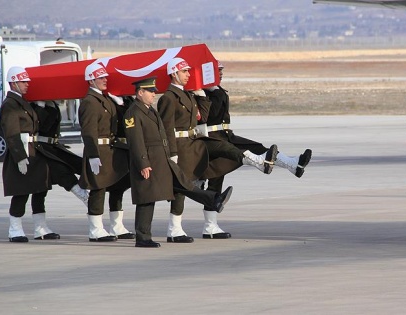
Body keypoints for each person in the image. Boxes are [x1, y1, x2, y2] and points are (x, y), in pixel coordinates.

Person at [157, 57, 278, 243]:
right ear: (174, 74)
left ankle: (258, 161)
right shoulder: (168, 98)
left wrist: (202, 96)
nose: (188, 74)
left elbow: (202, 117)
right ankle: (174, 230)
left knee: (222, 148)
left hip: (194, 142)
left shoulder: (188, 94)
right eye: (184, 71)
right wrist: (171, 154)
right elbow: (166, 129)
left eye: (189, 71)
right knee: (181, 187)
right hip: (180, 148)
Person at [201, 61, 312, 239]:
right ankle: (209, 227)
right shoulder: (203, 92)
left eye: (221, 70)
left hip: (226, 136)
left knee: (260, 149)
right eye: (216, 70)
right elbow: (211, 114)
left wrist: (216, 90)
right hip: (212, 140)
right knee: (215, 180)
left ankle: (293, 164)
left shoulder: (215, 90)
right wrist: (213, 90)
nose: (220, 73)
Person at [123, 77, 233, 247]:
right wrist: (143, 163)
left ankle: (214, 200)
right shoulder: (133, 113)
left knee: (183, 183)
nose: (154, 94)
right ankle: (143, 238)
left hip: (162, 159)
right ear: (140, 93)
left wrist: (170, 155)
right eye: (150, 91)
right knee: (146, 198)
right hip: (149, 162)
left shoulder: (149, 110)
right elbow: (135, 141)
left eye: (154, 91)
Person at [78, 63, 134, 242]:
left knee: (117, 187)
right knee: (98, 188)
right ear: (91, 80)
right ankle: (95, 230)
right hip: (99, 151)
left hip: (111, 149)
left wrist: (122, 103)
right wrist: (93, 155)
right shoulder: (89, 102)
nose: (105, 80)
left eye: (105, 77)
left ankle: (116, 226)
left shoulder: (104, 99)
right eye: (101, 78)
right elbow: (88, 131)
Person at [0, 66, 56, 242]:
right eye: (23, 82)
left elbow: (35, 126)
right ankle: (14, 229)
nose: (27, 84)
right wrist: (20, 157)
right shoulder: (10, 105)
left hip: (33, 151)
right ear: (14, 83)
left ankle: (40, 228)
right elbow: (11, 134)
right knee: (21, 192)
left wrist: (43, 107)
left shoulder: (23, 103)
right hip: (22, 153)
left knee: (40, 190)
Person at [31, 100, 88, 207]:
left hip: (54, 146)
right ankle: (82, 194)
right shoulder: (35, 107)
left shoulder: (52, 104)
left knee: (80, 164)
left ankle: (91, 191)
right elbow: (40, 127)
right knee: (60, 173)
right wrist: (40, 108)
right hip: (41, 149)